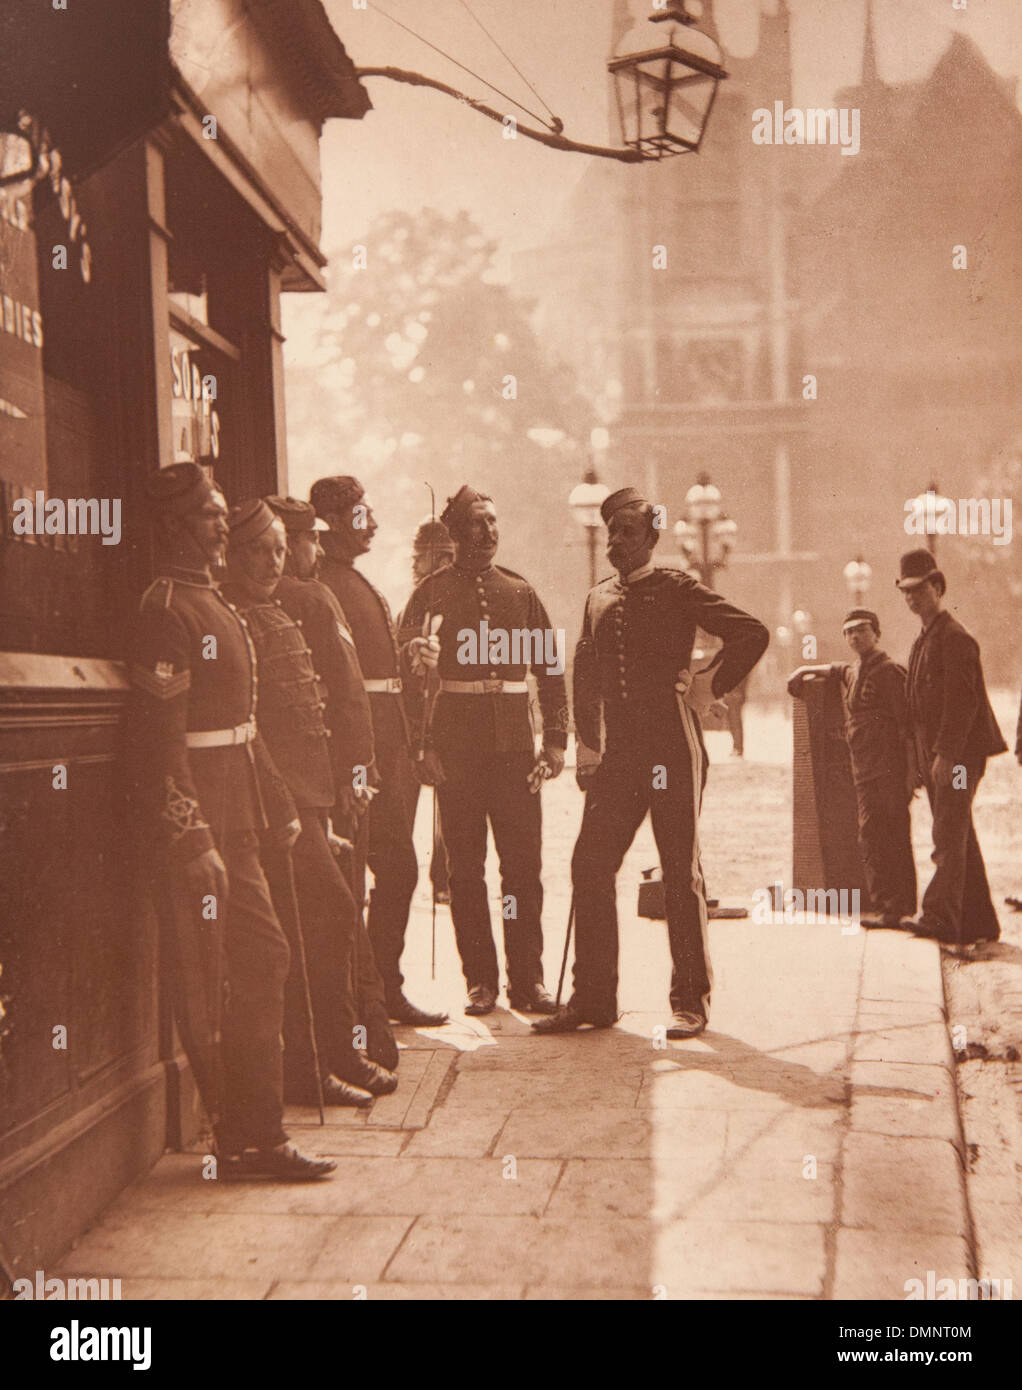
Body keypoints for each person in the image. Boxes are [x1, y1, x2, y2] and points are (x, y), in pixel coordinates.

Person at [125, 462, 334, 1180]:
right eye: (211, 515)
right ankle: (243, 1139)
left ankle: (255, 1133)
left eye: (220, 513)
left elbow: (244, 725)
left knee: (258, 961)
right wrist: (191, 838)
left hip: (241, 814)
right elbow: (160, 738)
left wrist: (276, 804)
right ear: (176, 525)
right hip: (206, 827)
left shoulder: (211, 601)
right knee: (214, 974)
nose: (222, 523)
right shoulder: (165, 608)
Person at [534, 486, 769, 1040]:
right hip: (620, 755)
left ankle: (690, 1001)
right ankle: (593, 998)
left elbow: (751, 633)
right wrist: (588, 749)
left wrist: (708, 683)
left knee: (676, 871)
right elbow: (585, 674)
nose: (616, 541)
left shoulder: (677, 588)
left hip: (672, 746)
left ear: (652, 538)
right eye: (611, 531)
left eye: (628, 532)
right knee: (589, 864)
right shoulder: (597, 598)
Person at [222, 499, 398, 1106]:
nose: (272, 562)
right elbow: (253, 729)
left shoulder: (275, 610)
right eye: (259, 551)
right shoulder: (234, 619)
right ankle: (313, 1063)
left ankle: (335, 1052)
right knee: (315, 921)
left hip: (309, 801)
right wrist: (293, 807)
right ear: (231, 555)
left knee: (324, 921)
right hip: (272, 808)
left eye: (278, 550)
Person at [403, 485, 568, 1016]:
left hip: (517, 753)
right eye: (477, 523)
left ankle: (528, 982)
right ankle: (481, 982)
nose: (489, 531)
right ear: (454, 532)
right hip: (457, 753)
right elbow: (403, 676)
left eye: (493, 521)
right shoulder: (430, 592)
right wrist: (419, 745)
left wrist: (557, 741)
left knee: (522, 868)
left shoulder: (520, 592)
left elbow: (550, 669)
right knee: (465, 871)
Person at [312, 475, 448, 1027]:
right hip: (358, 756)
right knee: (378, 872)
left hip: (386, 749)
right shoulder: (325, 586)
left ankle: (378, 989)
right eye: (363, 513)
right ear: (337, 522)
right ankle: (363, 995)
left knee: (394, 870)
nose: (374, 523)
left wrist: (409, 654)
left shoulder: (352, 583)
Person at [898, 549, 1006, 946]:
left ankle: (941, 917)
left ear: (938, 588)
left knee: (948, 829)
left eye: (919, 589)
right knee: (958, 830)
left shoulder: (955, 638)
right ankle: (980, 922)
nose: (912, 597)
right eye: (906, 591)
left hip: (960, 759)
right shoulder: (925, 639)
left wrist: (945, 755)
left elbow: (963, 705)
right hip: (940, 754)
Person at [790, 609, 916, 928]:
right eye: (849, 632)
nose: (855, 637)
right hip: (864, 771)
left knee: (893, 836)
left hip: (889, 770)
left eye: (862, 630)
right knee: (871, 837)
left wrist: (912, 771)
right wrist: (804, 668)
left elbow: (907, 727)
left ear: (877, 633)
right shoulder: (855, 670)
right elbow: (836, 669)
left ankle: (898, 907)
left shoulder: (889, 672)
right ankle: (885, 903)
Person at [399, 518, 455, 905]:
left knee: (449, 802)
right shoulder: (418, 597)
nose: (415, 566)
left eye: (421, 558)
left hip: (444, 706)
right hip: (412, 712)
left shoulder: (454, 593)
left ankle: (443, 877)